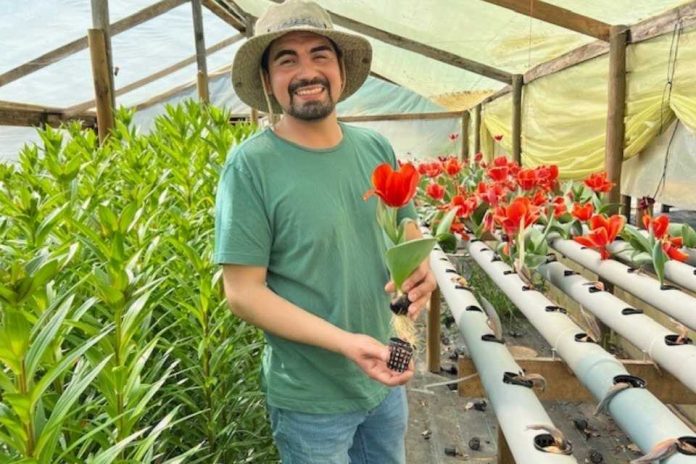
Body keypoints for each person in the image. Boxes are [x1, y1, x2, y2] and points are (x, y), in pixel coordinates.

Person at [214, 1, 436, 462]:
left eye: (320, 55)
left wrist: (423, 269)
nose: (306, 71)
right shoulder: (251, 166)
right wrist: (347, 345)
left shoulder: (374, 146)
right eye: (286, 59)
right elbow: (242, 292)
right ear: (267, 80)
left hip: (385, 377)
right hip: (311, 398)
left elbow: (406, 227)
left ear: (339, 69)